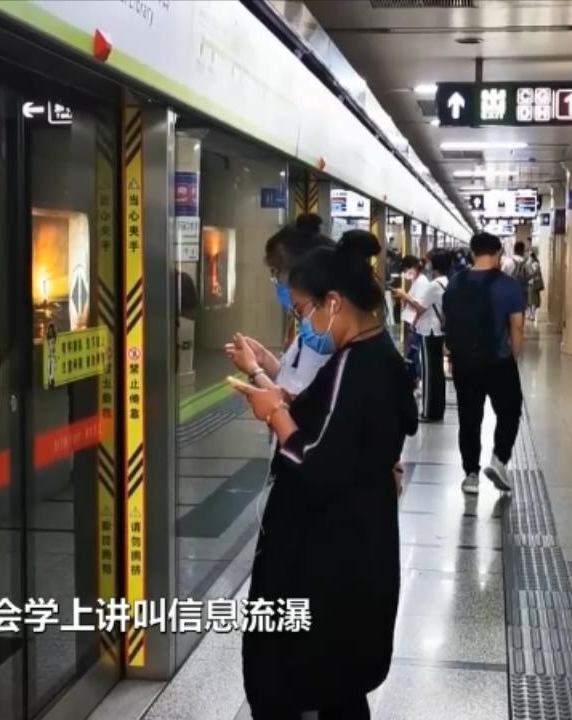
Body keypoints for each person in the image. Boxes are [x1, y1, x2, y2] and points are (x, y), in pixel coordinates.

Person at [231, 230, 417, 719]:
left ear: (332, 302)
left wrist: (275, 412)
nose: (304, 325)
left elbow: (318, 463)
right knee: (339, 679)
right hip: (360, 534)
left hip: (328, 545)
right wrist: (281, 396)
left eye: (303, 311)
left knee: (298, 671)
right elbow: (346, 431)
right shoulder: (377, 353)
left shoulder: (356, 364)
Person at [441, 231, 526, 495]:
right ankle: (499, 459)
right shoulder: (509, 285)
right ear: (499, 252)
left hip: (464, 362)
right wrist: (514, 355)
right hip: (498, 360)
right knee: (510, 410)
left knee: (469, 418)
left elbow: (448, 321)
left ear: (472, 253)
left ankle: (471, 476)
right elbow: (517, 326)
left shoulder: (455, 282)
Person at [224, 213, 334, 398]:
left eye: (278, 273)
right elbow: (294, 380)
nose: (276, 281)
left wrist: (254, 371)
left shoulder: (328, 333)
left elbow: (299, 404)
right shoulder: (310, 323)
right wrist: (265, 359)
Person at [414, 250, 451, 421]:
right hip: (439, 331)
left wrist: (404, 296)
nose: (426, 265)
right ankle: (438, 410)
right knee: (437, 372)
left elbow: (420, 307)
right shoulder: (446, 282)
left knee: (429, 373)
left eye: (428, 262)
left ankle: (429, 412)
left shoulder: (434, 285)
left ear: (434, 265)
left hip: (429, 331)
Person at [391, 254, 427, 386]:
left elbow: (420, 306)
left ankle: (415, 380)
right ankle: (414, 380)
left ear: (414, 267)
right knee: (412, 355)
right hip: (413, 323)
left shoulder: (422, 282)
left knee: (413, 355)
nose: (406, 273)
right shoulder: (416, 281)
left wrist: (404, 295)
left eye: (407, 270)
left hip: (416, 324)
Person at [525, 249, 544, 321]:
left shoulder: (535, 264)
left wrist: (528, 265)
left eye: (529, 256)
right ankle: (530, 313)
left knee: (533, 300)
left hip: (534, 284)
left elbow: (532, 273)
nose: (528, 258)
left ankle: (532, 314)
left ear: (532, 257)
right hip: (529, 283)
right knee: (529, 300)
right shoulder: (530, 263)